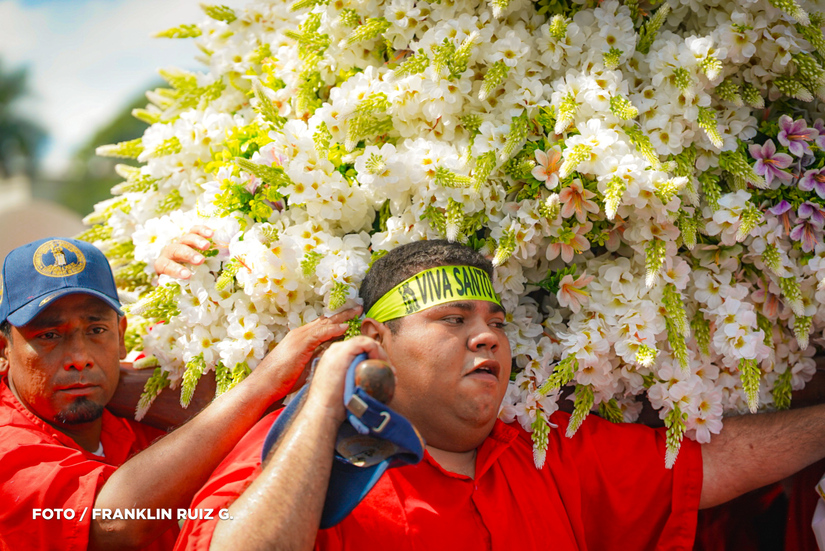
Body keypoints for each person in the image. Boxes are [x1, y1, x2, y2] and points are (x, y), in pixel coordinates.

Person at [173, 239, 825, 551]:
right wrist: (323, 394)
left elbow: (715, 463)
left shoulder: (550, 451)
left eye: (496, 322)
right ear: (378, 338)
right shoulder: (300, 449)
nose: (486, 337)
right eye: (453, 319)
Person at [0, 236, 358, 551]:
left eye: (96, 329)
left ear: (122, 336)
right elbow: (117, 521)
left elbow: (213, 392)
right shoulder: (7, 446)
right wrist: (265, 381)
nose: (79, 358)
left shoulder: (132, 410)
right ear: (4, 349)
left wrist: (213, 270)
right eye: (49, 336)